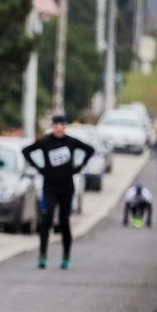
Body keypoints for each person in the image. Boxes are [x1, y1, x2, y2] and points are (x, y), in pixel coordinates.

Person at [22, 114, 94, 269]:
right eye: (56, 125)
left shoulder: (71, 142)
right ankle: (42, 255)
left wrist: (79, 167)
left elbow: (90, 150)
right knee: (46, 220)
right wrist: (40, 168)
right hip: (50, 186)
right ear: (52, 127)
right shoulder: (46, 141)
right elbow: (26, 151)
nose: (59, 128)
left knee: (64, 222)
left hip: (67, 187)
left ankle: (66, 256)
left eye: (61, 125)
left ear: (65, 126)